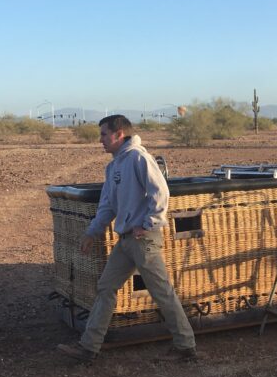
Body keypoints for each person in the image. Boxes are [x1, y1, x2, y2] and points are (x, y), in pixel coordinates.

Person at [57, 115, 200, 363]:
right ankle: (88, 348)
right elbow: (107, 205)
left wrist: (149, 224)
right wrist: (92, 232)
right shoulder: (113, 167)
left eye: (103, 134)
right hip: (125, 240)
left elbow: (161, 191)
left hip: (142, 239)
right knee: (106, 288)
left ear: (118, 134)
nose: (100, 140)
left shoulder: (138, 157)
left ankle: (186, 346)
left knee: (161, 292)